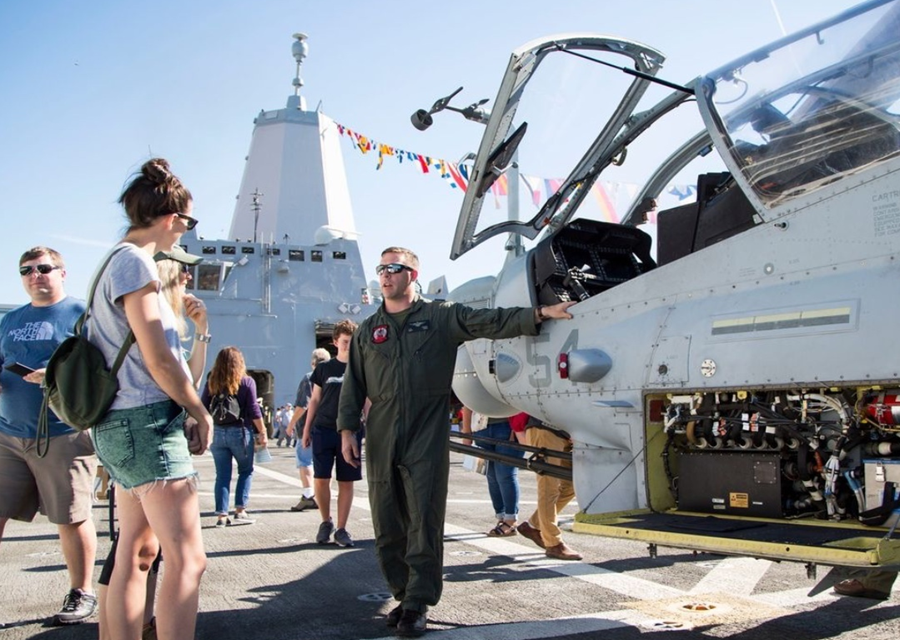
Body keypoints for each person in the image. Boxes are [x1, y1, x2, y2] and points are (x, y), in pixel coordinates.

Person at [337, 246, 575, 637]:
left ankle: (417, 601)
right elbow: (354, 384)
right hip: (381, 432)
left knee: (424, 518)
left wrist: (539, 314)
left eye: (394, 268)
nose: (385, 275)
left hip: (425, 432)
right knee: (386, 521)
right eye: (381, 268)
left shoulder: (440, 317)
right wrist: (347, 429)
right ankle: (402, 592)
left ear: (412, 274)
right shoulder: (368, 330)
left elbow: (489, 320)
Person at [86, 157, 212, 640]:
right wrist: (197, 408)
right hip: (146, 423)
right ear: (171, 219)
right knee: (187, 559)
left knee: (135, 554)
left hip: (117, 425)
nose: (185, 232)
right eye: (188, 221)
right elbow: (158, 357)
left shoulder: (112, 260)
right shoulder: (136, 263)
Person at [0, 246, 98, 626]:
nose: (34, 275)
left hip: (62, 432)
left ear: (62, 272)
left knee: (70, 517)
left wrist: (55, 376)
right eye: (26, 270)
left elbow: (100, 366)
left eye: (43, 268)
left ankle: (82, 591)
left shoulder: (81, 315)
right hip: (8, 433)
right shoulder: (11, 319)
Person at [302, 320, 362, 547]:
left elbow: (366, 402)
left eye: (351, 342)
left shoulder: (360, 369)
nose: (348, 345)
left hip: (352, 431)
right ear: (336, 342)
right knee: (321, 478)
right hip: (323, 429)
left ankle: (342, 528)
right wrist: (306, 430)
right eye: (344, 341)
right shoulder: (323, 369)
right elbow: (314, 400)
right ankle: (325, 521)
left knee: (347, 481)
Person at [202, 346, 268, 527]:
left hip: (218, 433)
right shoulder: (247, 382)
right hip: (240, 432)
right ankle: (240, 510)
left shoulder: (212, 381)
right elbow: (254, 410)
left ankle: (221, 516)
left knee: (222, 475)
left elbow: (203, 405)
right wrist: (262, 431)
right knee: (245, 471)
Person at [516, 417, 582, 561]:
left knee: (571, 485)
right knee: (548, 487)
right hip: (546, 428)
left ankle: (533, 525)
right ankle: (553, 544)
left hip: (562, 430)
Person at [460, 407, 526, 537]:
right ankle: (502, 517)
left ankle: (510, 520)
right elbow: (467, 403)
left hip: (508, 426)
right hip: (481, 427)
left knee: (505, 475)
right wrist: (466, 433)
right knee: (492, 476)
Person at [287, 348, 331, 512]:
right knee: (324, 463)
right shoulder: (334, 377)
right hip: (329, 427)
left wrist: (291, 424)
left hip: (308, 428)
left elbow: (302, 406)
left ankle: (308, 495)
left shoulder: (309, 378)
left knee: (305, 461)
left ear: (313, 363)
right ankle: (323, 495)